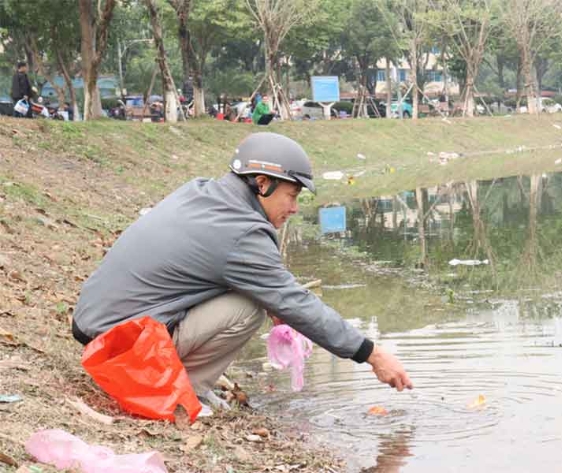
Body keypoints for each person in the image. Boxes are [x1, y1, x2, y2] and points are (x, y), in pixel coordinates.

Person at [72, 132, 413, 415]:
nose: (294, 208)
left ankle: (174, 380)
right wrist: (372, 353)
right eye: (291, 195)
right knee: (248, 309)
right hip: (122, 345)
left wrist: (277, 303)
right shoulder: (241, 232)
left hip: (97, 326)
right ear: (262, 184)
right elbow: (294, 300)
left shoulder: (203, 192)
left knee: (257, 296)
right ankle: (181, 392)